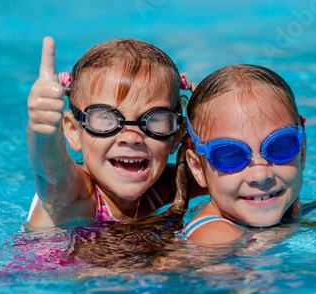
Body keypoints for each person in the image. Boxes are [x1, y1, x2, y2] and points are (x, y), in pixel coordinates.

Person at [27, 36, 195, 227]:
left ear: (175, 136)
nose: (131, 137)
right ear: (73, 130)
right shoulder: (75, 196)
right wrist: (43, 131)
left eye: (154, 119)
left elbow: (226, 177)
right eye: (106, 119)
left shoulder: (164, 187)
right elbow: (49, 171)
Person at [183, 64, 307, 245]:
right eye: (231, 155)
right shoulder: (216, 237)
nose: (261, 175)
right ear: (197, 169)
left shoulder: (288, 206)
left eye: (280, 147)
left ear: (302, 154)